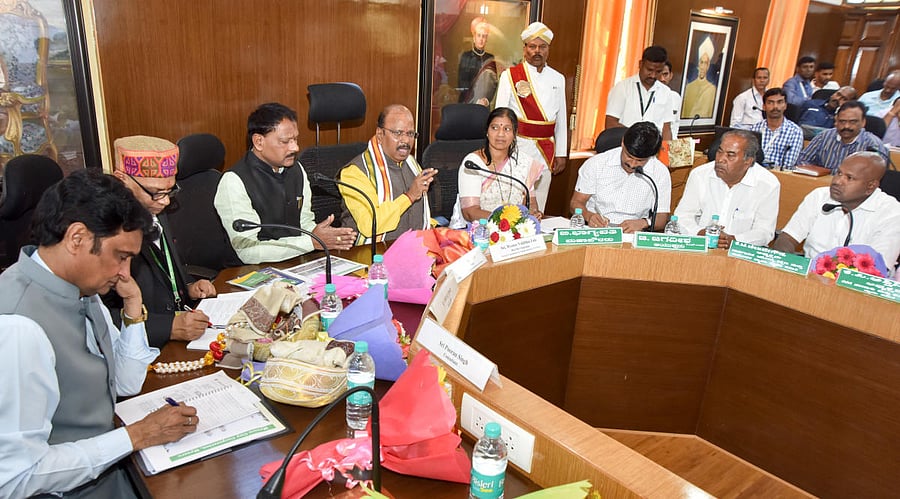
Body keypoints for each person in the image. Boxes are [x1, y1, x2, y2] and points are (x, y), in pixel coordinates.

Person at [0, 169, 198, 498]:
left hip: (111, 465)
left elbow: (125, 383)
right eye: (121, 257)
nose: (124, 273)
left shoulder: (80, 288)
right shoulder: (18, 327)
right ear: (77, 238)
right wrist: (137, 436)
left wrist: (133, 306)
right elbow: (15, 477)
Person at [102, 135, 216, 348]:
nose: (165, 201)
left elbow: (165, 270)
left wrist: (188, 287)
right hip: (142, 345)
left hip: (181, 333)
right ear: (121, 180)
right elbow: (100, 317)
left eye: (169, 191)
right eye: (155, 193)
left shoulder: (156, 209)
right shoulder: (106, 230)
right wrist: (168, 327)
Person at [215, 102, 355, 264]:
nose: (295, 148)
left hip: (296, 262)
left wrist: (325, 235)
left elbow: (304, 223)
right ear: (259, 142)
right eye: (285, 141)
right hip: (249, 270)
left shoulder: (296, 169)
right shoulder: (233, 182)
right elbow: (248, 252)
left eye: (295, 139)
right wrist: (310, 242)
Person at [774, 152, 900, 274]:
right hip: (808, 275)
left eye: (849, 178)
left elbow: (877, 267)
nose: (837, 181)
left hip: (854, 283)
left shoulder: (892, 213)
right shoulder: (819, 196)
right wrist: (784, 268)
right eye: (839, 173)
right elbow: (787, 239)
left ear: (870, 187)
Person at [495, 21, 567, 211]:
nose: (537, 51)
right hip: (518, 147)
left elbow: (561, 120)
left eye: (542, 47)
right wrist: (500, 149)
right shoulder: (510, 76)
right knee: (514, 202)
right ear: (525, 49)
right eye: (532, 46)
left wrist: (561, 153)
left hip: (546, 150)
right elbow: (500, 117)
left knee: (539, 203)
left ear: (548, 49)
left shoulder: (558, 78)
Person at [339, 104, 435, 243]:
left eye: (410, 134)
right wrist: (409, 196)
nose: (405, 140)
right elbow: (369, 225)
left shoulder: (412, 164)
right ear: (380, 134)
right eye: (398, 133)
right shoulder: (354, 172)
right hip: (371, 252)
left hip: (413, 247)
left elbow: (416, 213)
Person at [674, 129, 780, 247]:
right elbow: (682, 216)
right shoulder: (700, 175)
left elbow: (765, 231)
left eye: (730, 155)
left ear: (748, 161)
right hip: (701, 247)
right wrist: (699, 233)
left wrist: (734, 241)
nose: (720, 159)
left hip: (741, 252)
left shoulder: (768, 184)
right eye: (719, 152)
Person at [570, 121, 672, 233]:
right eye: (629, 156)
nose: (632, 164)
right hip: (596, 230)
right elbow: (576, 203)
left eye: (640, 161)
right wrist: (589, 216)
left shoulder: (660, 172)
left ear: (651, 156)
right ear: (623, 142)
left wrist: (644, 223)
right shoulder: (597, 164)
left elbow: (661, 219)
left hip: (633, 234)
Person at [451, 107, 543, 227]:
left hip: (515, 231)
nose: (500, 134)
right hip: (478, 231)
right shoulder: (473, 164)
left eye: (507, 129)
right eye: (494, 128)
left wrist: (533, 213)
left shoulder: (524, 162)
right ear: (487, 131)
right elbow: (470, 212)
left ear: (515, 133)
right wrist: (505, 220)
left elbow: (531, 204)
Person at [798, 101, 889, 174]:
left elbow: (875, 175)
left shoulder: (873, 145)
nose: (846, 126)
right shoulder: (824, 136)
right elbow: (803, 159)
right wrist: (815, 172)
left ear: (863, 122)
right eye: (842, 121)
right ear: (836, 121)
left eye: (853, 122)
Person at [606, 45, 675, 141]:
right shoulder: (622, 88)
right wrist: (638, 138)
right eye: (649, 70)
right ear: (640, 64)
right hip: (625, 146)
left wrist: (665, 149)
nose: (653, 75)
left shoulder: (666, 92)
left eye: (658, 71)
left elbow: (666, 129)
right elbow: (610, 123)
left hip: (653, 148)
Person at [750, 88, 804, 169]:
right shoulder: (754, 129)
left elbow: (787, 166)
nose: (775, 106)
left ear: (785, 106)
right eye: (770, 102)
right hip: (753, 172)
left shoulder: (795, 132)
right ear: (764, 106)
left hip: (778, 175)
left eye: (779, 102)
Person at [458, 17, 498, 106]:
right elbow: (462, 83)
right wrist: (474, 100)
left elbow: (493, 84)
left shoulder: (490, 58)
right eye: (479, 35)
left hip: (484, 105)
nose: (481, 39)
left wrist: (486, 100)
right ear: (474, 37)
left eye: (484, 36)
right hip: (468, 103)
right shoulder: (466, 56)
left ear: (487, 39)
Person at [681, 36, 717, 119]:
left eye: (706, 63)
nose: (703, 67)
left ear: (708, 66)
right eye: (702, 62)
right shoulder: (689, 87)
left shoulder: (711, 89)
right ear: (698, 64)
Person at [658, 60, 681, 136]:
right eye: (659, 74)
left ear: (671, 75)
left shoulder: (676, 97)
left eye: (665, 74)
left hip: (668, 140)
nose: (662, 79)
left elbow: (676, 123)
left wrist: (672, 141)